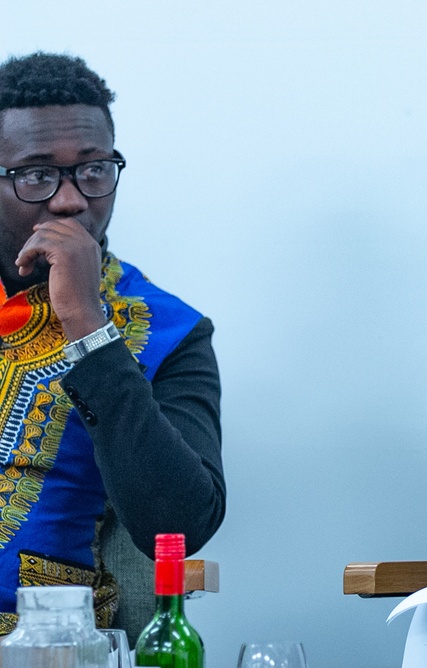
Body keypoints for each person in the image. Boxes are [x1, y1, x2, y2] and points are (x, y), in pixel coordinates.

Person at [0, 52, 224, 632]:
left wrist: (88, 325)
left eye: (94, 169)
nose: (70, 200)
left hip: (48, 643)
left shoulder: (171, 331)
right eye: (36, 174)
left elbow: (178, 526)